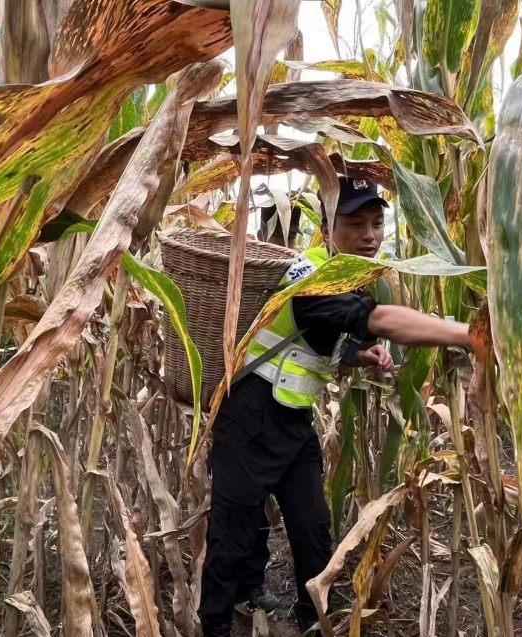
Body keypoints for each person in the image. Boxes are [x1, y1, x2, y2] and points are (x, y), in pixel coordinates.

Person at [198, 177, 472, 636]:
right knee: (235, 526)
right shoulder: (310, 276)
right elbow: (374, 320)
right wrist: (469, 334)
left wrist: (358, 355)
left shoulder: (354, 276)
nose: (370, 235)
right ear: (327, 227)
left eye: (376, 223)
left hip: (292, 416)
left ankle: (312, 618)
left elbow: (321, 342)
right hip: (250, 414)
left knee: (311, 525)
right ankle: (218, 623)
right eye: (355, 224)